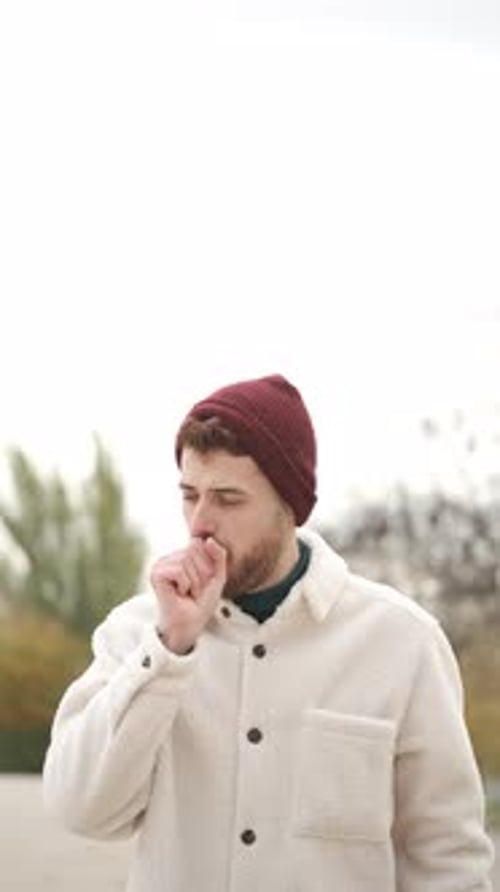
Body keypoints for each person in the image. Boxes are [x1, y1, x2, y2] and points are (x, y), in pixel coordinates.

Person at [43, 373, 494, 892]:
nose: (199, 523)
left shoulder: (403, 642)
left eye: (228, 499)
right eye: (190, 495)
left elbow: (447, 859)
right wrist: (169, 650)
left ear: (289, 506)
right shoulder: (138, 632)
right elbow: (80, 809)